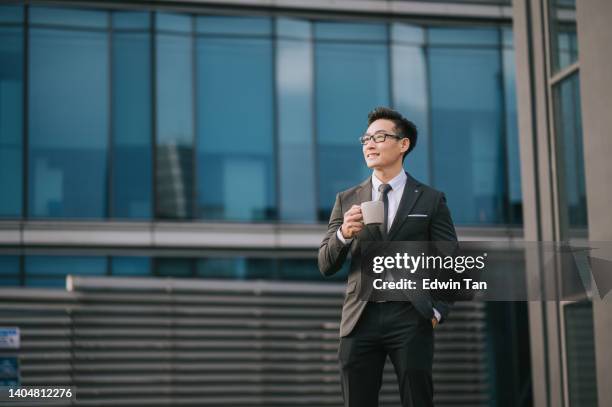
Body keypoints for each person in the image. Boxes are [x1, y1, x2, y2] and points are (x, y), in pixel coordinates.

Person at [318, 106, 457, 407]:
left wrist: (437, 311)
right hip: (360, 317)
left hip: (410, 315)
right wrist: (344, 234)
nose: (369, 144)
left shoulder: (431, 199)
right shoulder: (347, 199)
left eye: (379, 137)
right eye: (365, 139)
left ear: (403, 144)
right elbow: (326, 264)